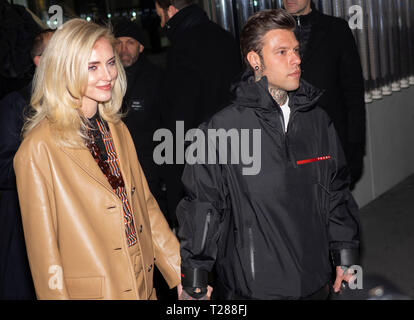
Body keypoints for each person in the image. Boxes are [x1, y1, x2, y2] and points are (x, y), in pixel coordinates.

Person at [176, 9, 360, 300]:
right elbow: (203, 207)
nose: (296, 59)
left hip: (316, 283)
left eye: (296, 50)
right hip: (255, 290)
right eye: (282, 52)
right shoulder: (221, 130)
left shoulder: (318, 122)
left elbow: (336, 193)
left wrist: (346, 257)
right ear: (255, 60)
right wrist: (194, 279)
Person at [13, 19, 180, 300]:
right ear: (65, 69)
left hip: (143, 282)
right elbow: (45, 258)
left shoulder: (116, 128)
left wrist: (180, 273)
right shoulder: (38, 149)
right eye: (92, 67)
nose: (108, 75)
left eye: (110, 63)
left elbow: (145, 207)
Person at [154, 0, 242, 228]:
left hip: (197, 165)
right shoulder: (224, 37)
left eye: (159, 14)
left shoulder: (182, 47)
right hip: (232, 154)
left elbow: (178, 117)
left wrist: (174, 182)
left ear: (170, 9)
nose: (160, 21)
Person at [282, 0, 366, 189]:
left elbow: (353, 92)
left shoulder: (336, 30)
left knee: (332, 211)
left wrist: (355, 145)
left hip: (329, 144)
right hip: (285, 148)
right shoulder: (269, 32)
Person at [0, 28, 54, 300]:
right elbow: (4, 169)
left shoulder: (77, 101)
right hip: (26, 223)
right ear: (39, 61)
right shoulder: (16, 105)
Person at [113, 18, 167, 216]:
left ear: (141, 47)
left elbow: (168, 126)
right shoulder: (104, 80)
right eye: (118, 42)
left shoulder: (157, 79)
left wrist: (164, 174)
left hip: (150, 172)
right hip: (116, 172)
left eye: (130, 42)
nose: (124, 48)